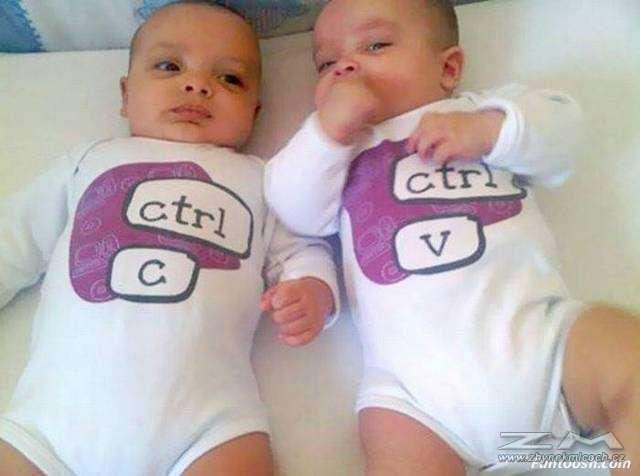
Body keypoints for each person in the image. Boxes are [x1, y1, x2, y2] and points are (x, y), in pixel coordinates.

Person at [265, 0, 640, 473]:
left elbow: (563, 132)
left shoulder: (479, 112)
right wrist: (328, 133)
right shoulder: (337, 153)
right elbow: (292, 208)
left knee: (625, 355)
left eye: (375, 45)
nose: (347, 67)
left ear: (448, 69)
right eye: (326, 64)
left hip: (545, 351)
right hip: (418, 404)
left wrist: (491, 131)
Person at [0, 2, 339, 474]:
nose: (197, 85)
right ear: (126, 94)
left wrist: (313, 288)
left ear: (255, 111)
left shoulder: (262, 178)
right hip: (48, 428)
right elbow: (14, 236)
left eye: (230, 78)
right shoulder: (89, 161)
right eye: (169, 66)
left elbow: (302, 247)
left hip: (206, 427)